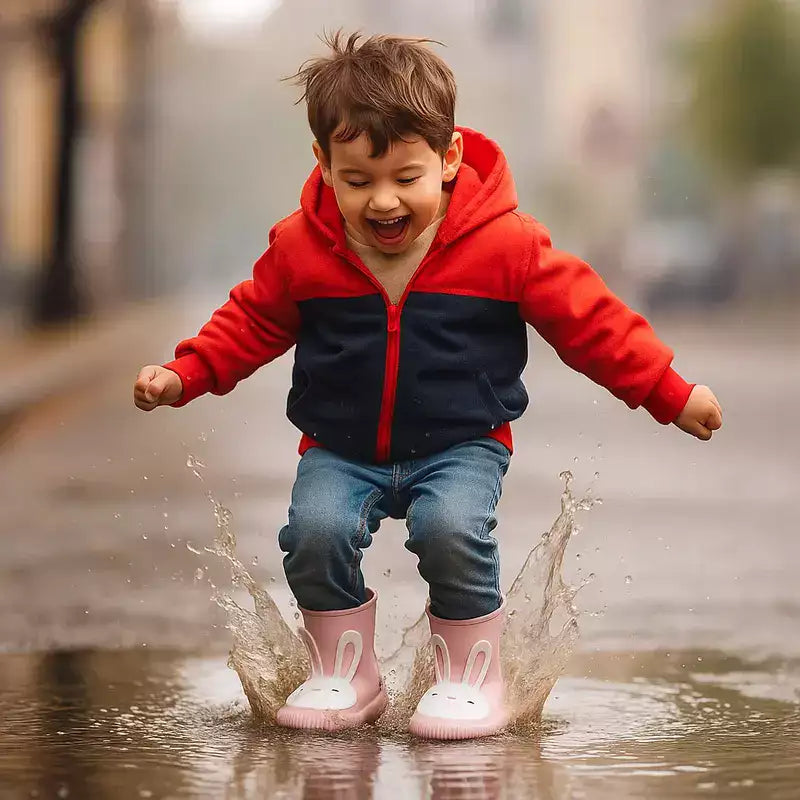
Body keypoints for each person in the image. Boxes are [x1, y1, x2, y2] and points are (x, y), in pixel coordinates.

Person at [133, 32, 723, 739]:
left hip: (460, 445)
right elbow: (250, 319)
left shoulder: (506, 246)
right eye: (357, 181)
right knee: (313, 534)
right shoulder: (302, 248)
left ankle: (471, 677)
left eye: (404, 178)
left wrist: (668, 389)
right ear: (322, 164)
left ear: (448, 160)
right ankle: (344, 672)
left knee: (451, 531)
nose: (383, 202)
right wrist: (185, 372)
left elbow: (590, 322)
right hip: (339, 446)